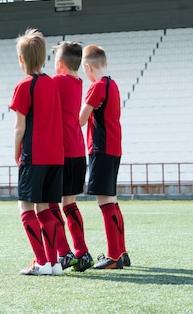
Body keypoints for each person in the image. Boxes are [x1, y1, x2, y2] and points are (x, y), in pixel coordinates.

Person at [10, 28, 64, 276]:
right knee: (46, 209)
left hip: (35, 155)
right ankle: (53, 264)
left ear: (21, 59)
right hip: (56, 156)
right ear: (44, 58)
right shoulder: (53, 84)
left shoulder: (23, 86)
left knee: (25, 208)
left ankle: (41, 261)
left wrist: (16, 152)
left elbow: (20, 126)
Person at [79, 45, 129, 269]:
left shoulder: (96, 87)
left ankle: (114, 256)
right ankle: (122, 252)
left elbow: (80, 119)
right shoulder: (113, 84)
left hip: (100, 147)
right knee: (113, 200)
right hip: (114, 147)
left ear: (88, 67)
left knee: (105, 201)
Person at [51, 41, 95, 272]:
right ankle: (82, 251)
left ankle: (64, 252)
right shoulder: (77, 82)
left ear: (59, 64)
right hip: (77, 151)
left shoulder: (56, 81)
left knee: (50, 204)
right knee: (70, 203)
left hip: (61, 153)